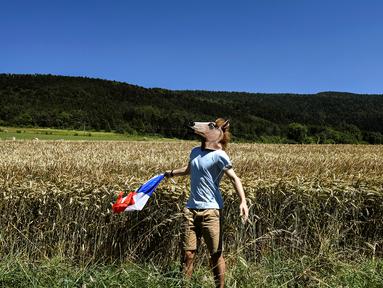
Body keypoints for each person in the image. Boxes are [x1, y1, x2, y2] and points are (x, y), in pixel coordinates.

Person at [164, 118, 249, 288]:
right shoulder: (195, 151)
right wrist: (170, 173)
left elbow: (234, 178)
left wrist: (243, 201)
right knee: (188, 253)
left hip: (211, 211)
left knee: (215, 254)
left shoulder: (220, 155)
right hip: (191, 209)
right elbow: (189, 170)